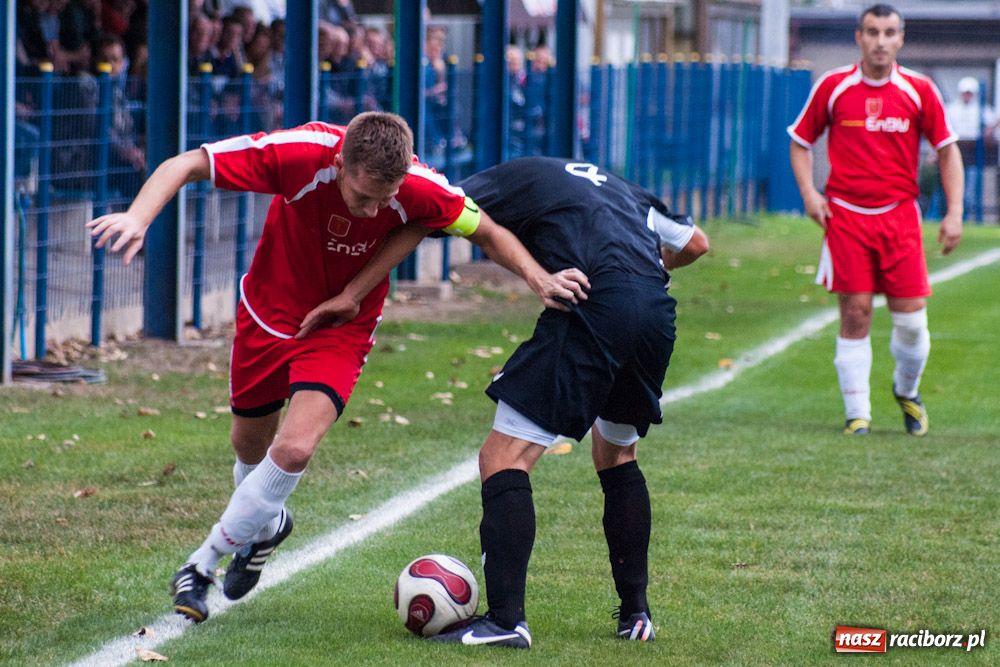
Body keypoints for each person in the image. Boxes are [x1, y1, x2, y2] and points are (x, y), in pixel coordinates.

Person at [86, 112, 589, 624]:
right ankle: (269, 525)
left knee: (295, 448)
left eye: (384, 199)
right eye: (361, 197)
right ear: (340, 164)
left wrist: (538, 278)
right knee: (248, 448)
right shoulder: (298, 153)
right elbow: (187, 163)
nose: (372, 211)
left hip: (341, 329)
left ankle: (200, 567)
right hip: (267, 313)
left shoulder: (421, 187)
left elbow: (486, 230)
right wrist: (138, 217)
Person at [410, 157, 704, 648]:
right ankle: (636, 616)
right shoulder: (622, 188)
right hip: (654, 312)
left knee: (503, 456)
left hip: (592, 300)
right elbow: (696, 244)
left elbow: (444, 208)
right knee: (616, 454)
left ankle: (506, 622)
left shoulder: (517, 176)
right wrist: (643, 275)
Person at [788, 3, 964, 437]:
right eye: (872, 32)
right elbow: (799, 140)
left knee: (911, 322)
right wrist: (811, 194)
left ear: (900, 38)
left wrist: (955, 212)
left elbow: (947, 150)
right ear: (859, 37)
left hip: (900, 217)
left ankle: (907, 390)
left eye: (889, 32)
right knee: (857, 313)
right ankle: (857, 415)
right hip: (846, 216)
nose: (880, 41)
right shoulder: (833, 87)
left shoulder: (919, 90)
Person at [945, 76, 998, 217]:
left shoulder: (982, 110)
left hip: (975, 153)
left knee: (971, 184)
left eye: (970, 93)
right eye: (965, 93)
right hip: (956, 149)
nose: (967, 96)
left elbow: (993, 123)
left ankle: (968, 213)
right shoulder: (952, 109)